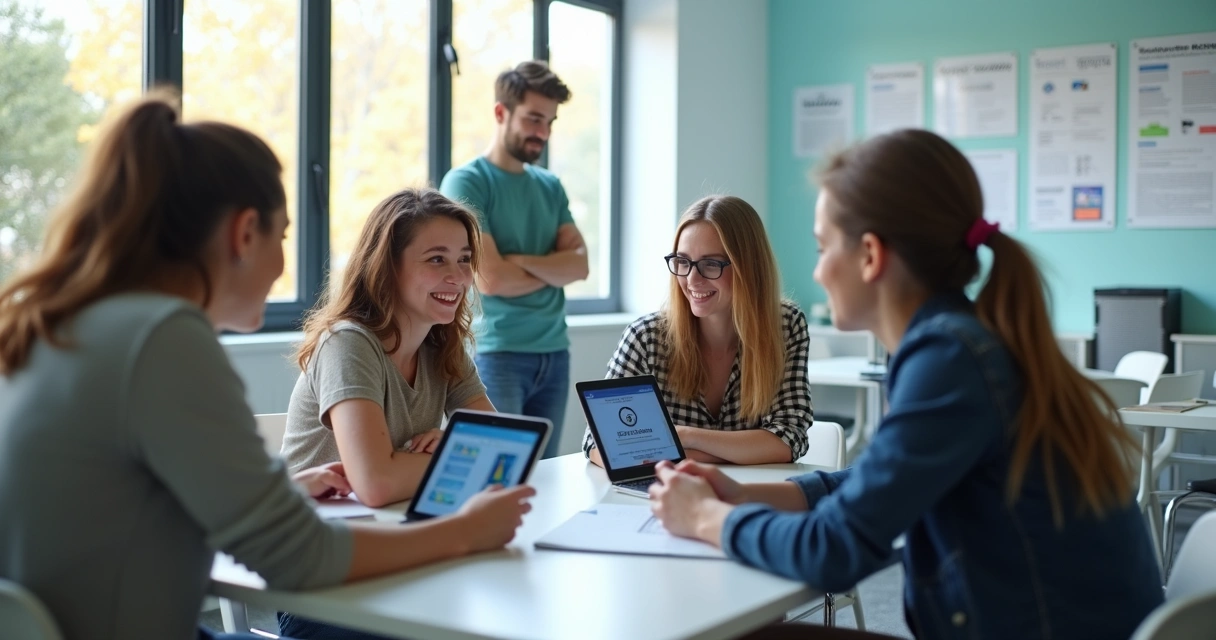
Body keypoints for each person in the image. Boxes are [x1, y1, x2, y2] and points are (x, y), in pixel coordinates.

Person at [0, 92, 535, 640]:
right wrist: (465, 533)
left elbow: (126, 510)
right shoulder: (164, 339)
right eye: (281, 236)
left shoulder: (68, 322)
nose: (282, 265)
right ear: (243, 232)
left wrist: (278, 491)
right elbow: (301, 557)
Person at [647, 130, 1163, 640]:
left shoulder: (949, 358)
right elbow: (872, 483)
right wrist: (743, 494)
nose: (819, 270)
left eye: (823, 247)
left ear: (870, 255)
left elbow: (834, 550)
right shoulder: (962, 340)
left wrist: (707, 518)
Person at [281, 188, 493, 509]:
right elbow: (377, 484)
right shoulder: (347, 342)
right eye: (437, 259)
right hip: (308, 530)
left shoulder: (441, 344)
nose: (459, 277)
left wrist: (453, 448)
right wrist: (459, 452)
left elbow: (503, 449)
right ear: (388, 267)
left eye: (464, 259)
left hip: (390, 521)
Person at [583, 196, 812, 465]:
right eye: (682, 261)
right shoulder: (646, 337)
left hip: (749, 497)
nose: (692, 279)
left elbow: (789, 439)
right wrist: (738, 453)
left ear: (748, 267)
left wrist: (685, 437)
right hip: (667, 496)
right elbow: (599, 443)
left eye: (711, 264)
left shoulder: (785, 326)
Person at [440, 60, 588, 459]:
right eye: (534, 119)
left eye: (550, 122)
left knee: (547, 478)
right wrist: (550, 266)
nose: (543, 133)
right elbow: (492, 281)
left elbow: (580, 265)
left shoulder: (550, 185)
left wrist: (516, 261)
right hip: (497, 354)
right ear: (501, 113)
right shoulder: (466, 182)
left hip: (555, 353)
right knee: (496, 475)